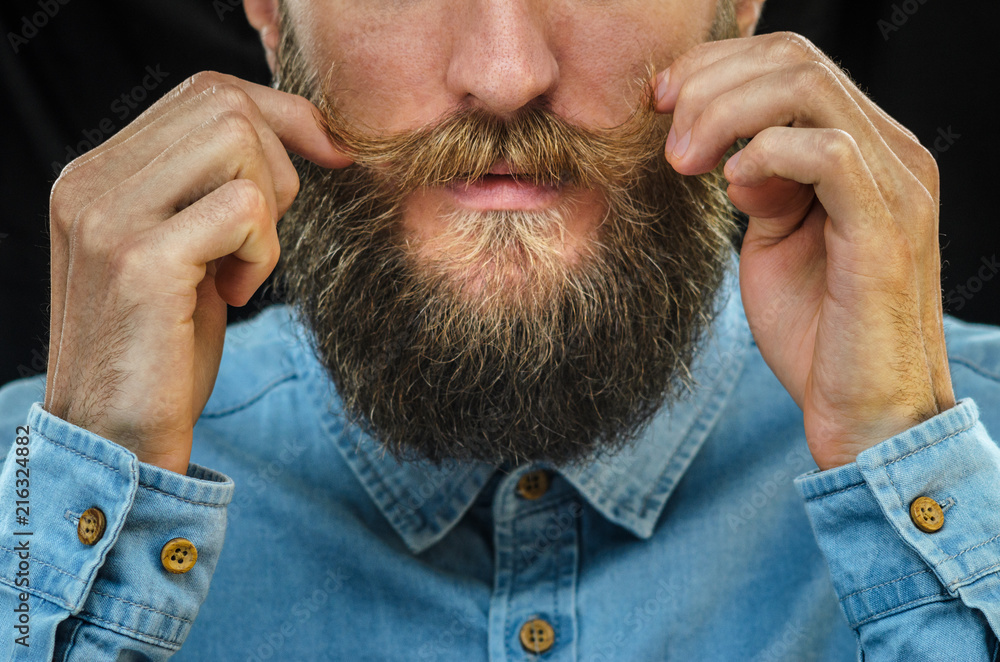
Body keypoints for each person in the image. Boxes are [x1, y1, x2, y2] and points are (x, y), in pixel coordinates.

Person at [1, 0, 998, 658]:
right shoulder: (33, 493)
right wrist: (95, 499)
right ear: (269, 11)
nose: (507, 72)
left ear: (737, 5)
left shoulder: (970, 455)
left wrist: (902, 456)